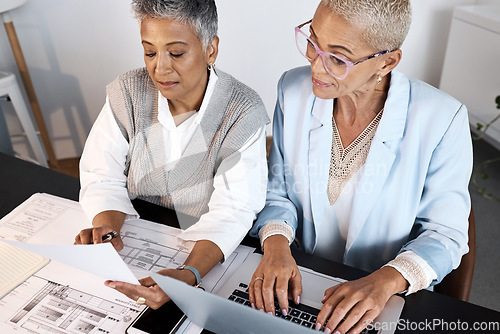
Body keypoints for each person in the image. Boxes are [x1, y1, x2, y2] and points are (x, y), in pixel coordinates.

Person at [249, 0, 472, 333]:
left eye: (338, 59)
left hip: (386, 300)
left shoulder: (442, 120)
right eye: (312, 42)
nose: (316, 67)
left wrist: (384, 281)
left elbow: (446, 235)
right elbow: (278, 189)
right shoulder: (292, 91)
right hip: (303, 281)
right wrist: (277, 244)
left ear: (387, 61)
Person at [74, 0, 269, 310]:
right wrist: (107, 229)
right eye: (150, 52)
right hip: (140, 236)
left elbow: (235, 208)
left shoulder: (242, 111)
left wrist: (189, 274)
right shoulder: (129, 92)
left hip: (206, 249)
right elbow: (101, 173)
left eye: (176, 53)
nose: (160, 68)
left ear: (210, 50)